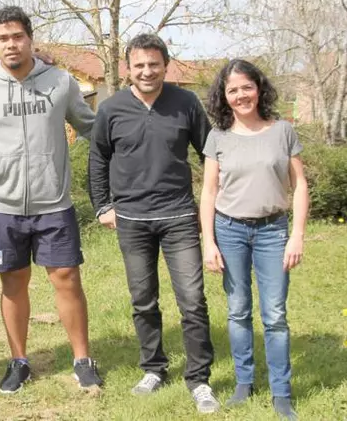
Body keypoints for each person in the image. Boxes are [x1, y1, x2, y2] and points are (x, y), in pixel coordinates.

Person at [0, 6, 103, 393]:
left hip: (53, 202)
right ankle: (19, 362)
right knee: (12, 283)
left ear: (30, 39)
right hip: (0, 206)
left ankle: (82, 360)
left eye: (17, 36)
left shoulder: (60, 82)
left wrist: (138, 142)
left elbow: (93, 127)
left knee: (67, 279)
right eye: (2, 38)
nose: (11, 44)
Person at [87, 33, 219, 413]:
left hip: (179, 217)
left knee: (192, 301)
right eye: (139, 65)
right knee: (143, 301)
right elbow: (98, 160)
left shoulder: (186, 103)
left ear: (166, 65)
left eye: (154, 64)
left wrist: (213, 205)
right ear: (128, 68)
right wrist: (102, 206)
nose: (147, 71)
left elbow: (210, 153)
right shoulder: (111, 109)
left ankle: (199, 379)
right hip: (132, 220)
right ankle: (154, 368)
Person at [199, 59, 308, 420]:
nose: (241, 95)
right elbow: (209, 192)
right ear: (224, 96)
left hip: (273, 232)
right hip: (230, 231)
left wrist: (297, 236)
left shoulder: (283, 132)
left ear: (258, 88)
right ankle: (244, 383)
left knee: (275, 315)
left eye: (247, 86)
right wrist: (209, 242)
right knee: (237, 310)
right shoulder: (218, 137)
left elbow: (300, 185)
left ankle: (281, 392)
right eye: (233, 90)